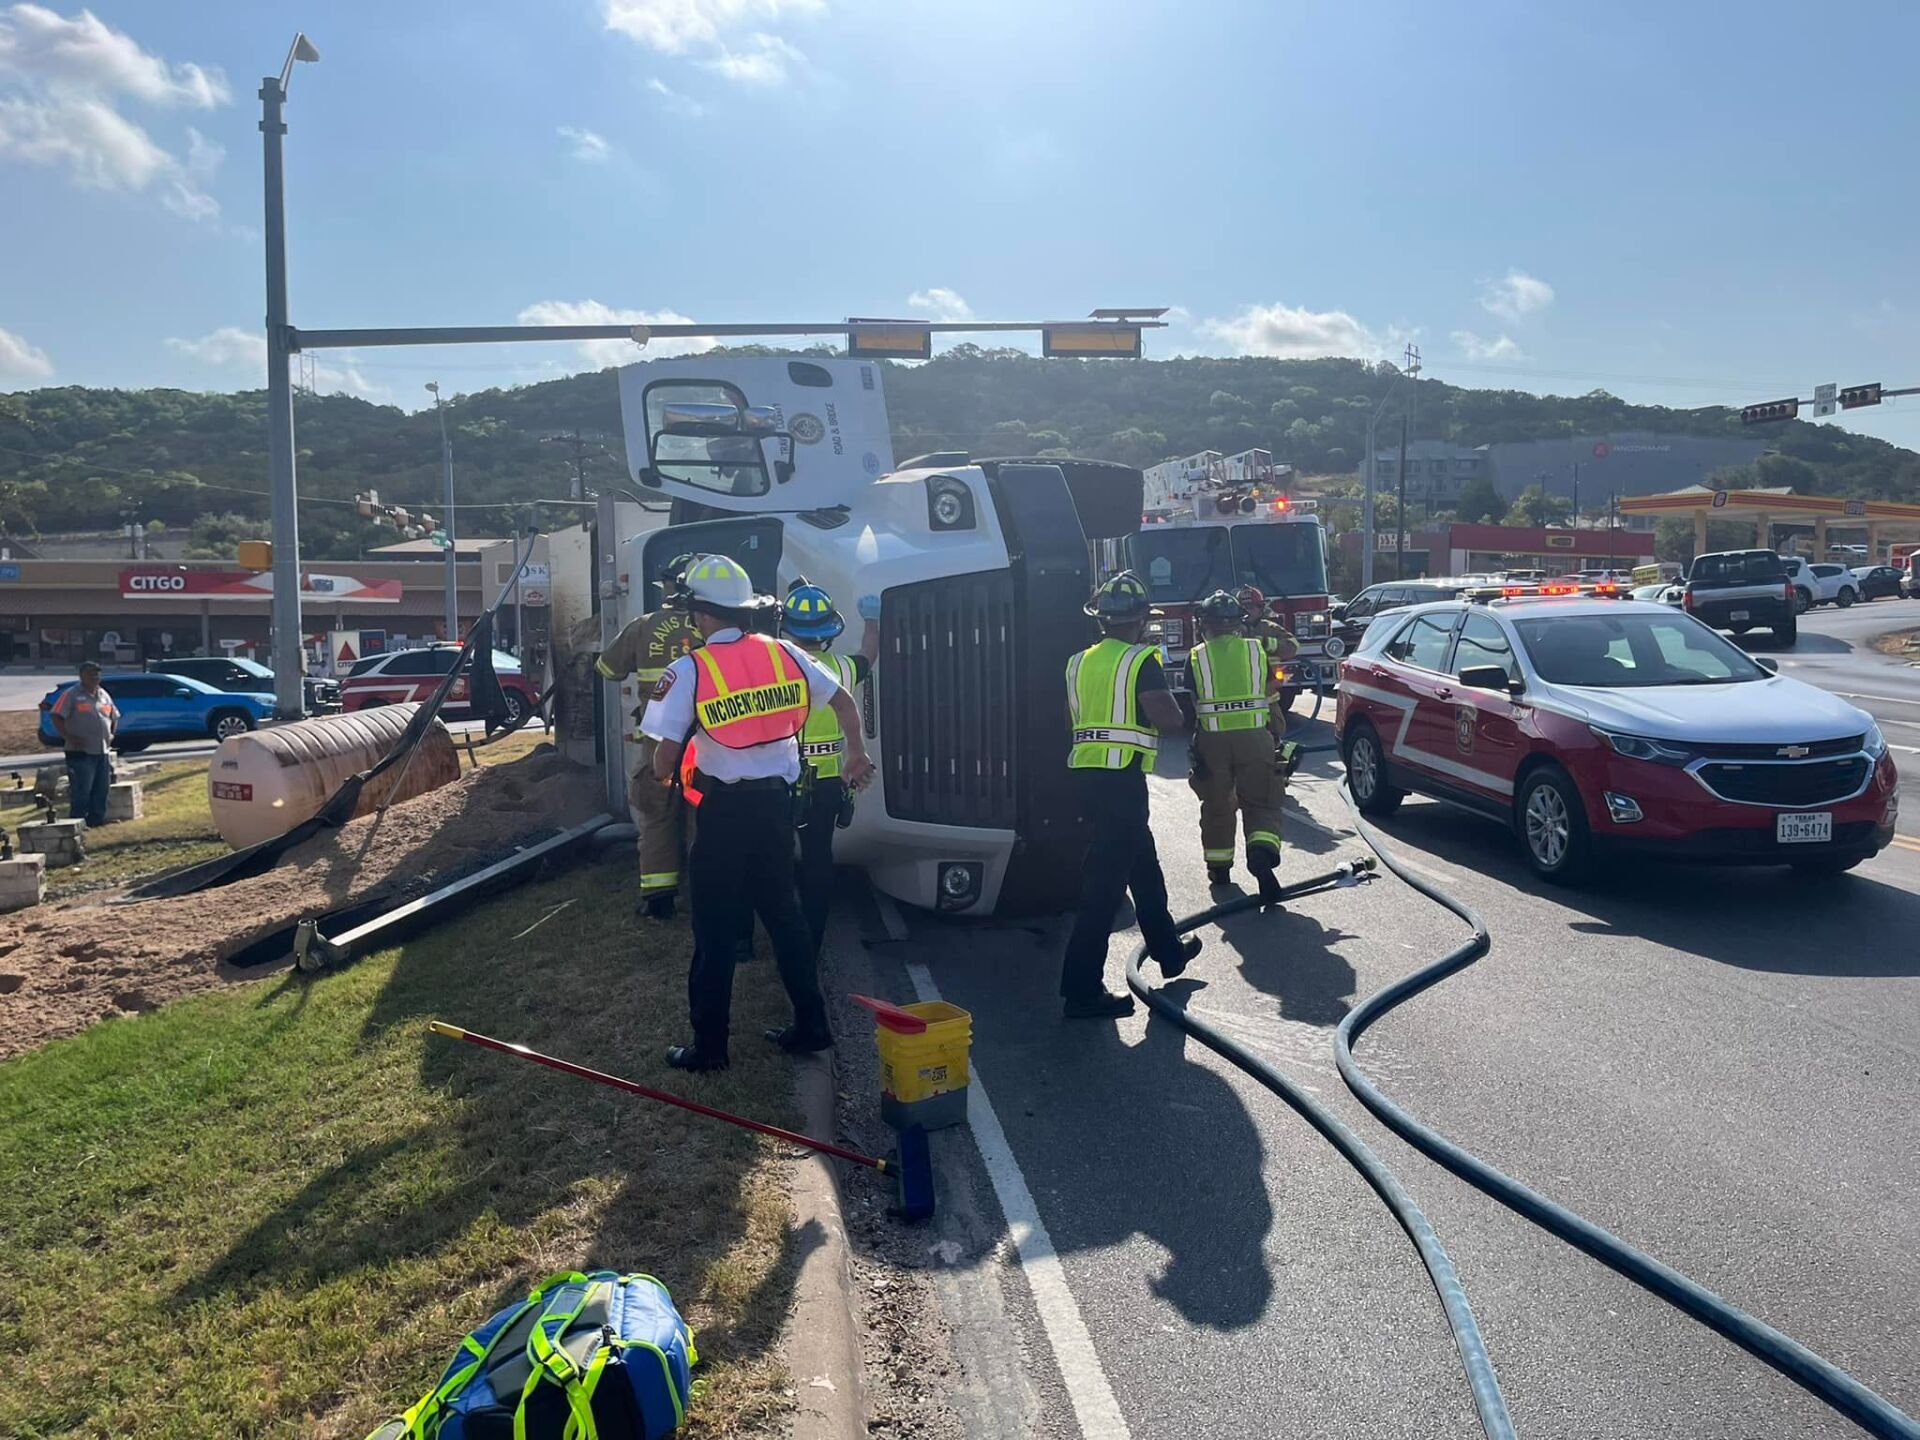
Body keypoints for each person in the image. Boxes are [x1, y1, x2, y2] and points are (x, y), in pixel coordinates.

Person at [642, 555, 874, 1071]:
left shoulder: (690, 670)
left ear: (701, 615)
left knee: (715, 928)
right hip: (777, 807)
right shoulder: (786, 655)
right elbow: (843, 703)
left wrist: (664, 774)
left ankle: (710, 1048)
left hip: (723, 813)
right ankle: (812, 1026)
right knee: (784, 917)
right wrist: (856, 754)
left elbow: (664, 755)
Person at [1059, 571, 1202, 1020]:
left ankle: (1168, 951)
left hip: (1087, 778)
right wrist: (1186, 711)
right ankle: (1080, 990)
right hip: (1122, 780)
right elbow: (1169, 719)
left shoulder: (1078, 662)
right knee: (1103, 888)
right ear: (1140, 620)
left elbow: (1073, 721)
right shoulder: (1142, 661)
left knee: (1143, 864)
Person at [596, 552, 705, 919]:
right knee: (700, 815)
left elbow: (608, 668)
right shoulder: (713, 625)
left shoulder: (644, 625)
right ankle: (706, 892)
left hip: (659, 738)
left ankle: (659, 899)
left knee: (656, 814)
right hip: (705, 739)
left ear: (673, 587)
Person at [779, 578, 882, 955]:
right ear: (830, 631)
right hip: (826, 783)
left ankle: (753, 939)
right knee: (817, 859)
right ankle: (812, 940)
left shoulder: (777, 667)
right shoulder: (841, 668)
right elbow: (868, 655)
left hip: (780, 779)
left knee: (768, 855)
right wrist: (872, 621)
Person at [1189, 590, 1286, 907]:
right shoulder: (1256, 649)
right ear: (1238, 623)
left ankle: (1219, 869)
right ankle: (1260, 852)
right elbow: (1270, 689)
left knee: (1217, 803)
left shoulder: (1196, 656)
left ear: (1206, 624)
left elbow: (1195, 702)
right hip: (1255, 737)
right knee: (1261, 801)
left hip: (1213, 740)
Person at [49, 661, 117, 828]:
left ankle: (96, 820)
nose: (94, 677)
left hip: (102, 750)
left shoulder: (103, 694)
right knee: (81, 790)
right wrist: (69, 737)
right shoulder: (71, 694)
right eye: (90, 674)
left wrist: (112, 733)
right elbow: (56, 715)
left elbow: (114, 716)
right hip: (80, 752)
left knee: (101, 789)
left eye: (97, 674)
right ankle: (78, 823)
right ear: (81, 676)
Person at [1235, 584, 1300, 745]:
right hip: (1240, 699)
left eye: (1251, 606)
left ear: (1261, 608)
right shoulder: (1232, 630)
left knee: (1276, 737)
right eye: (1243, 607)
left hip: (1267, 699)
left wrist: (1265, 643)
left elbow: (1293, 647)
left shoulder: (1269, 628)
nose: (1247, 611)